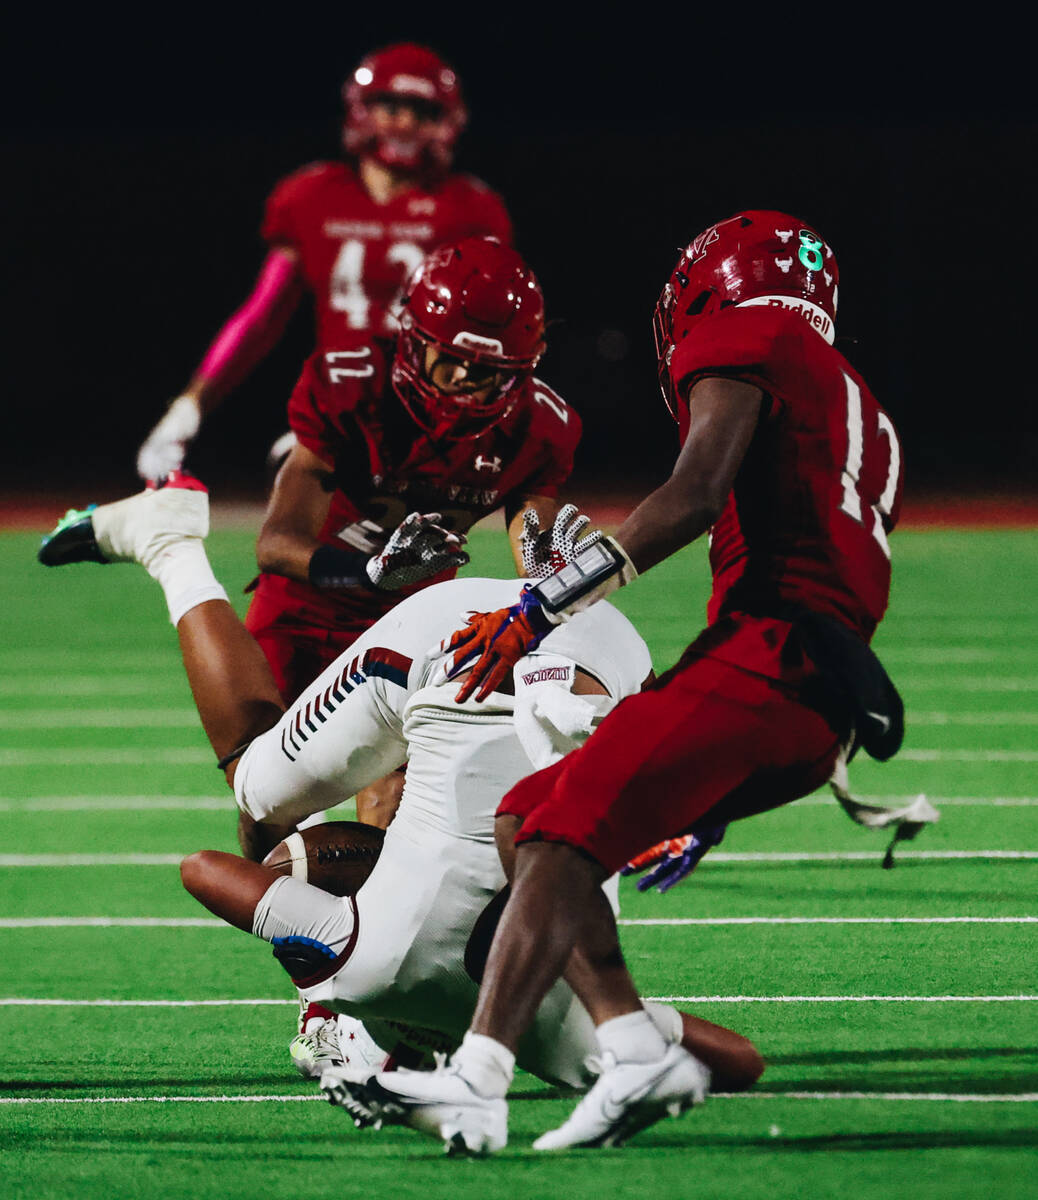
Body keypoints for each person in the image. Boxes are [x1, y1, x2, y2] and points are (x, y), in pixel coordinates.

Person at [332, 210, 906, 1154]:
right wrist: (703, 788)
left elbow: (693, 494)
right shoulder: (864, 411)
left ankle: (476, 1079)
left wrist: (537, 609)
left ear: (713, 286)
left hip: (769, 664)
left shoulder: (748, 334)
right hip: (806, 691)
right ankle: (634, 1043)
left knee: (555, 834)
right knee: (527, 815)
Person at [36, 476, 764, 1105]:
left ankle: (170, 546)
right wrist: (309, 955)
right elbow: (207, 871)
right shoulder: (368, 970)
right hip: (458, 649)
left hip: (595, 656)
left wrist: (616, 1016)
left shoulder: (561, 1035)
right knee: (266, 814)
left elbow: (738, 1059)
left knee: (266, 798)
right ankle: (172, 548)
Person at [136, 43, 513, 484]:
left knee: (307, 482)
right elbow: (263, 314)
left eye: (423, 110)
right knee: (300, 484)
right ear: (362, 109)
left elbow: (494, 334)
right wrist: (188, 407)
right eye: (392, 106)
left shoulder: (470, 207)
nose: (406, 122)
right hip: (336, 409)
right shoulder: (312, 195)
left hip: (432, 416)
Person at [242, 236, 580, 721]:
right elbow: (275, 544)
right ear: (411, 336)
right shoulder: (352, 385)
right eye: (450, 357)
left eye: (486, 370)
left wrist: (562, 577)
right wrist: (369, 573)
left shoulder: (541, 428)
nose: (463, 377)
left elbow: (537, 563)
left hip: (412, 619)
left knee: (396, 793)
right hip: (302, 608)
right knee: (269, 789)